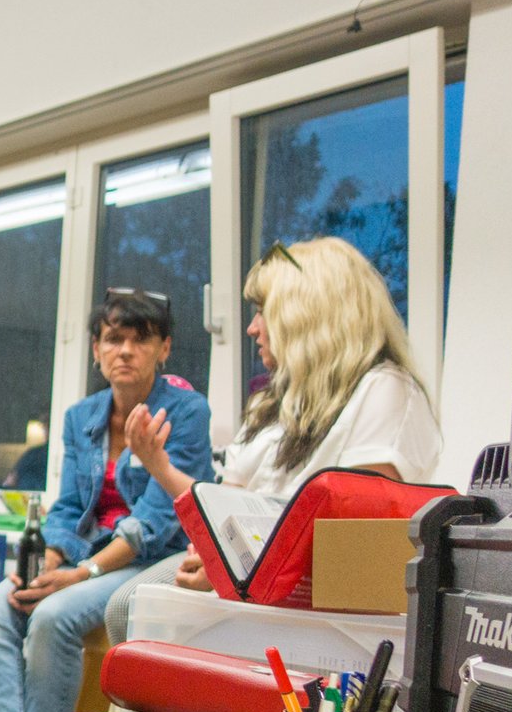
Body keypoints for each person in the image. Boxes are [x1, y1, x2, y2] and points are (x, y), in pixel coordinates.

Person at [106, 236, 441, 634]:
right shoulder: (274, 401)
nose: (252, 328)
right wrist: (214, 552)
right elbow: (227, 503)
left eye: (263, 311)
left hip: (306, 603)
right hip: (250, 579)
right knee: (124, 610)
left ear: (307, 313)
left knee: (128, 609)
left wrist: (232, 569)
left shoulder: (384, 391)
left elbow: (355, 546)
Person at [0, 292, 212, 712]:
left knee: (53, 617)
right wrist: (52, 560)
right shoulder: (82, 417)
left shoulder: (185, 412)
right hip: (83, 556)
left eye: (141, 340)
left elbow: (159, 518)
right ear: (96, 350)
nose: (125, 351)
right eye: (114, 339)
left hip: (147, 558)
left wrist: (83, 573)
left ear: (164, 349)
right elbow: (72, 506)